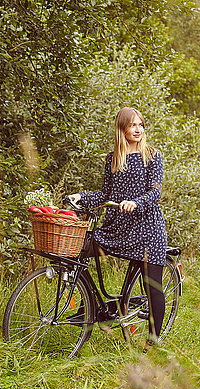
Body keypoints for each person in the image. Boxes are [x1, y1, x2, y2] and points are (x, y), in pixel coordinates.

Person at [68, 106, 167, 343]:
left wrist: (136, 202)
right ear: (121, 128)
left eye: (141, 124)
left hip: (147, 228)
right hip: (117, 227)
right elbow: (105, 194)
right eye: (132, 125)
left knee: (152, 284)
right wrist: (81, 197)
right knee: (81, 248)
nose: (138, 129)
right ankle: (89, 307)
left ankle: (153, 341)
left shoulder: (153, 155)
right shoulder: (113, 159)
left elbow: (155, 192)